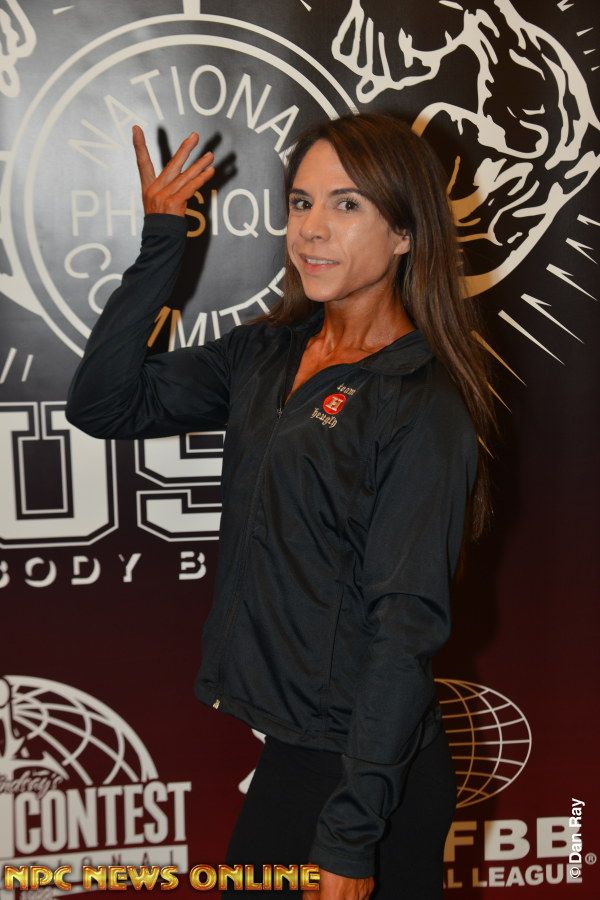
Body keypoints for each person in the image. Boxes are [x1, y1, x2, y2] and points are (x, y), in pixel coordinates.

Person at [65, 111, 498, 899]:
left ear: (406, 233)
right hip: (304, 750)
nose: (311, 229)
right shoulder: (266, 354)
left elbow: (405, 630)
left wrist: (353, 835)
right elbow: (104, 403)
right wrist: (163, 238)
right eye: (301, 202)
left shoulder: (419, 404)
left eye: (347, 204)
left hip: (368, 774)